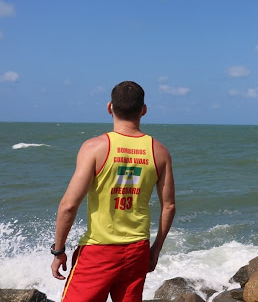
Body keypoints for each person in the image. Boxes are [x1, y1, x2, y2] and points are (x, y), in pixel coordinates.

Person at [51, 81, 176, 301]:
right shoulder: (159, 151)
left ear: (110, 107)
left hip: (98, 250)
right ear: (143, 110)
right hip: (137, 250)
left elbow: (69, 206)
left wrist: (58, 251)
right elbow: (169, 206)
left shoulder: (94, 147)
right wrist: (155, 250)